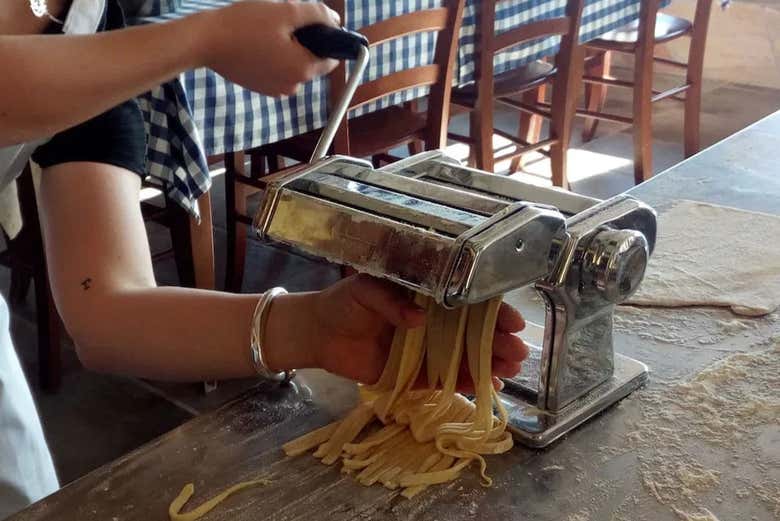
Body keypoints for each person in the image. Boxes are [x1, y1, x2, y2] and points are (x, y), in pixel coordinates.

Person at [0, 0, 529, 518]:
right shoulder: (127, 45)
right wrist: (203, 38)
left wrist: (315, 328)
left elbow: (107, 312)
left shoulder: (88, 20)